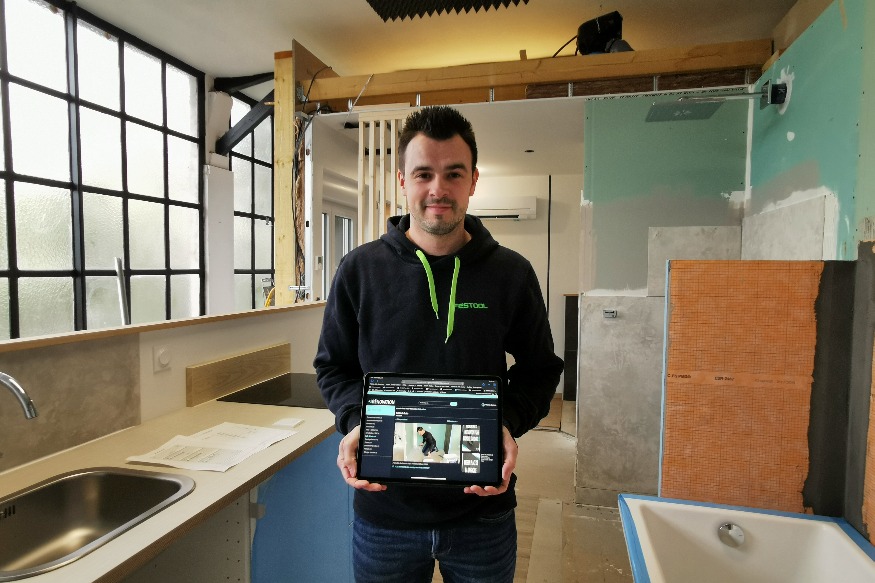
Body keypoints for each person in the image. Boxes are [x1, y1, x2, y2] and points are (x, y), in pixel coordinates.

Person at [314, 105, 563, 583]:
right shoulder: (359, 271)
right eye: (423, 173)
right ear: (403, 181)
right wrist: (355, 421)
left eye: (453, 174)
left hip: (481, 513)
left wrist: (506, 423)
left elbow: (540, 368)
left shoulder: (510, 273)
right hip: (385, 515)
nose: (438, 189)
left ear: (473, 181)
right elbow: (333, 367)